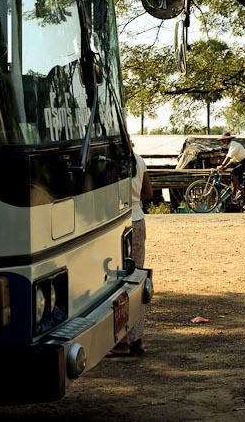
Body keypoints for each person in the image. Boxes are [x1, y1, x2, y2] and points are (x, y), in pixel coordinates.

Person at [111, 149, 153, 356]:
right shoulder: (139, 159)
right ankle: (137, 338)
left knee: (117, 281)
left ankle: (122, 340)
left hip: (116, 222)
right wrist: (134, 200)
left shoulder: (110, 161)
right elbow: (148, 193)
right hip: (137, 219)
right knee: (137, 278)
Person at [217, 132, 245, 199]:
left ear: (227, 140)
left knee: (232, 173)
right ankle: (235, 195)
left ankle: (239, 190)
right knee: (233, 180)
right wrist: (225, 167)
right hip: (241, 163)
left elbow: (229, 156)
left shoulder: (233, 145)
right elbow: (232, 160)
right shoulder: (230, 146)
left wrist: (222, 165)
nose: (222, 141)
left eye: (223, 140)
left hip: (244, 163)